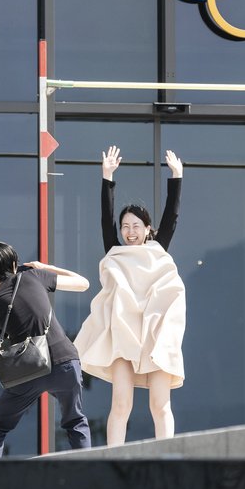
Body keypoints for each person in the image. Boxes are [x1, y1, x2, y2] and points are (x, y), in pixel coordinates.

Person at [73, 146, 186, 445]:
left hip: (154, 331)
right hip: (124, 334)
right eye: (126, 226)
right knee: (121, 404)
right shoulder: (116, 252)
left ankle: (166, 458)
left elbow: (171, 215)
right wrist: (106, 177)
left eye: (136, 226)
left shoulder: (157, 249)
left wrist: (177, 177)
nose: (130, 231)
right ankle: (114, 459)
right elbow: (104, 218)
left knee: (160, 405)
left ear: (148, 229)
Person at [0, 241, 92, 456]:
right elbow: (83, 283)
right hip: (64, 361)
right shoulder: (33, 277)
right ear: (13, 263)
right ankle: (91, 483)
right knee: (75, 421)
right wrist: (43, 267)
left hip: (28, 370)